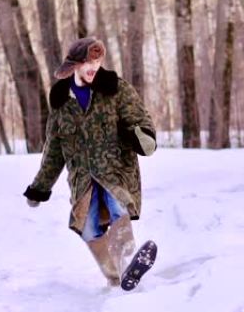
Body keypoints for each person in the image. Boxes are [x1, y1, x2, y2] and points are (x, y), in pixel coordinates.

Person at [23, 37, 157, 290]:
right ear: (73, 65)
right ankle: (117, 275)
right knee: (88, 229)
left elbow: (138, 118)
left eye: (97, 60)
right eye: (87, 62)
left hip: (115, 170)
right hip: (83, 179)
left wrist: (143, 136)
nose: (93, 66)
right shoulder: (61, 102)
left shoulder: (116, 89)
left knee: (119, 208)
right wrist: (39, 188)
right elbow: (54, 151)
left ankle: (129, 261)